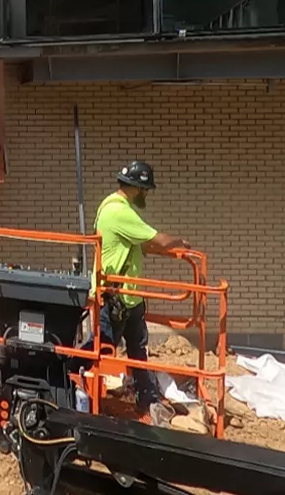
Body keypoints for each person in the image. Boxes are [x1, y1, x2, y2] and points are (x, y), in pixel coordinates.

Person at [95, 160, 191, 426]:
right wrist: (179, 242)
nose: (146, 194)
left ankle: (146, 397)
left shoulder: (115, 207)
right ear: (136, 188)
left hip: (129, 298)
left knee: (138, 350)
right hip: (116, 298)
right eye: (145, 189)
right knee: (99, 349)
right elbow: (156, 240)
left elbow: (142, 245)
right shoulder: (119, 211)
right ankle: (76, 389)